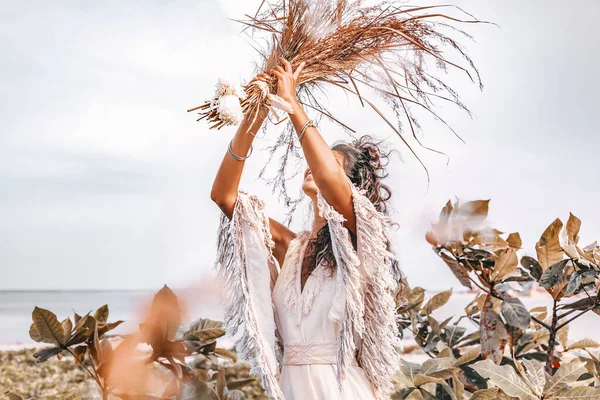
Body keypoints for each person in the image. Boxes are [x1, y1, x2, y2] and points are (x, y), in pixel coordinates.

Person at [210, 58, 406, 400]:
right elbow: (224, 196)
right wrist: (253, 120)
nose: (314, 165)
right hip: (291, 390)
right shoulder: (290, 246)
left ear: (353, 187)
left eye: (330, 161)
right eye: (318, 157)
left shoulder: (358, 235)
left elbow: (331, 181)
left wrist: (292, 105)